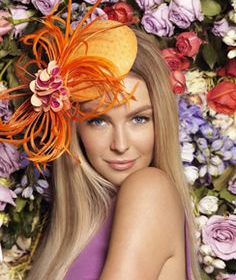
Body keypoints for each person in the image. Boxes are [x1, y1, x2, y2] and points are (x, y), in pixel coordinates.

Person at [21, 27, 200, 280]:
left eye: (139, 119)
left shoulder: (150, 190)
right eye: (98, 121)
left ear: (161, 121)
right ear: (75, 128)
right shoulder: (75, 232)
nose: (120, 144)